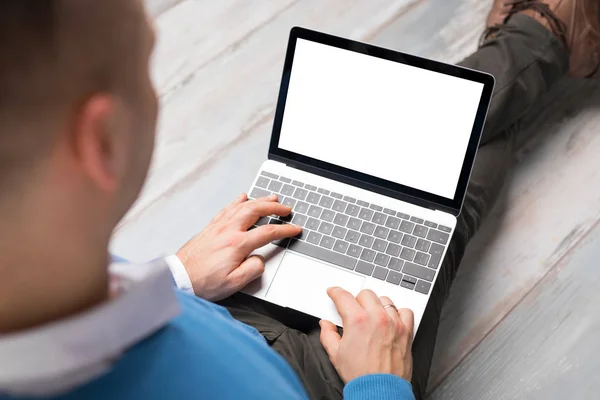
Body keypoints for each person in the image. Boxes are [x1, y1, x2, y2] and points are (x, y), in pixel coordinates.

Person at [0, 0, 597, 399]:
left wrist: (176, 278)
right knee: (446, 201)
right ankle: (537, 40)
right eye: (144, 56)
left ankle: (537, 42)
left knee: (401, 171)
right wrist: (379, 384)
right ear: (103, 143)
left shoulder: (43, 279)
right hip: (317, 381)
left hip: (218, 308)